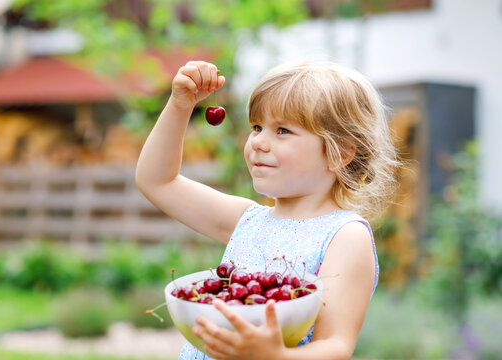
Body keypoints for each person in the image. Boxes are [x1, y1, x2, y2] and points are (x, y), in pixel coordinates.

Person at [135, 60, 398, 360]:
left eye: (282, 130)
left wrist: (276, 356)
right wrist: (180, 106)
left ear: (340, 152)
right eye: (257, 127)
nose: (258, 142)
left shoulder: (345, 236)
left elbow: (336, 345)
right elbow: (157, 182)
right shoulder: (247, 220)